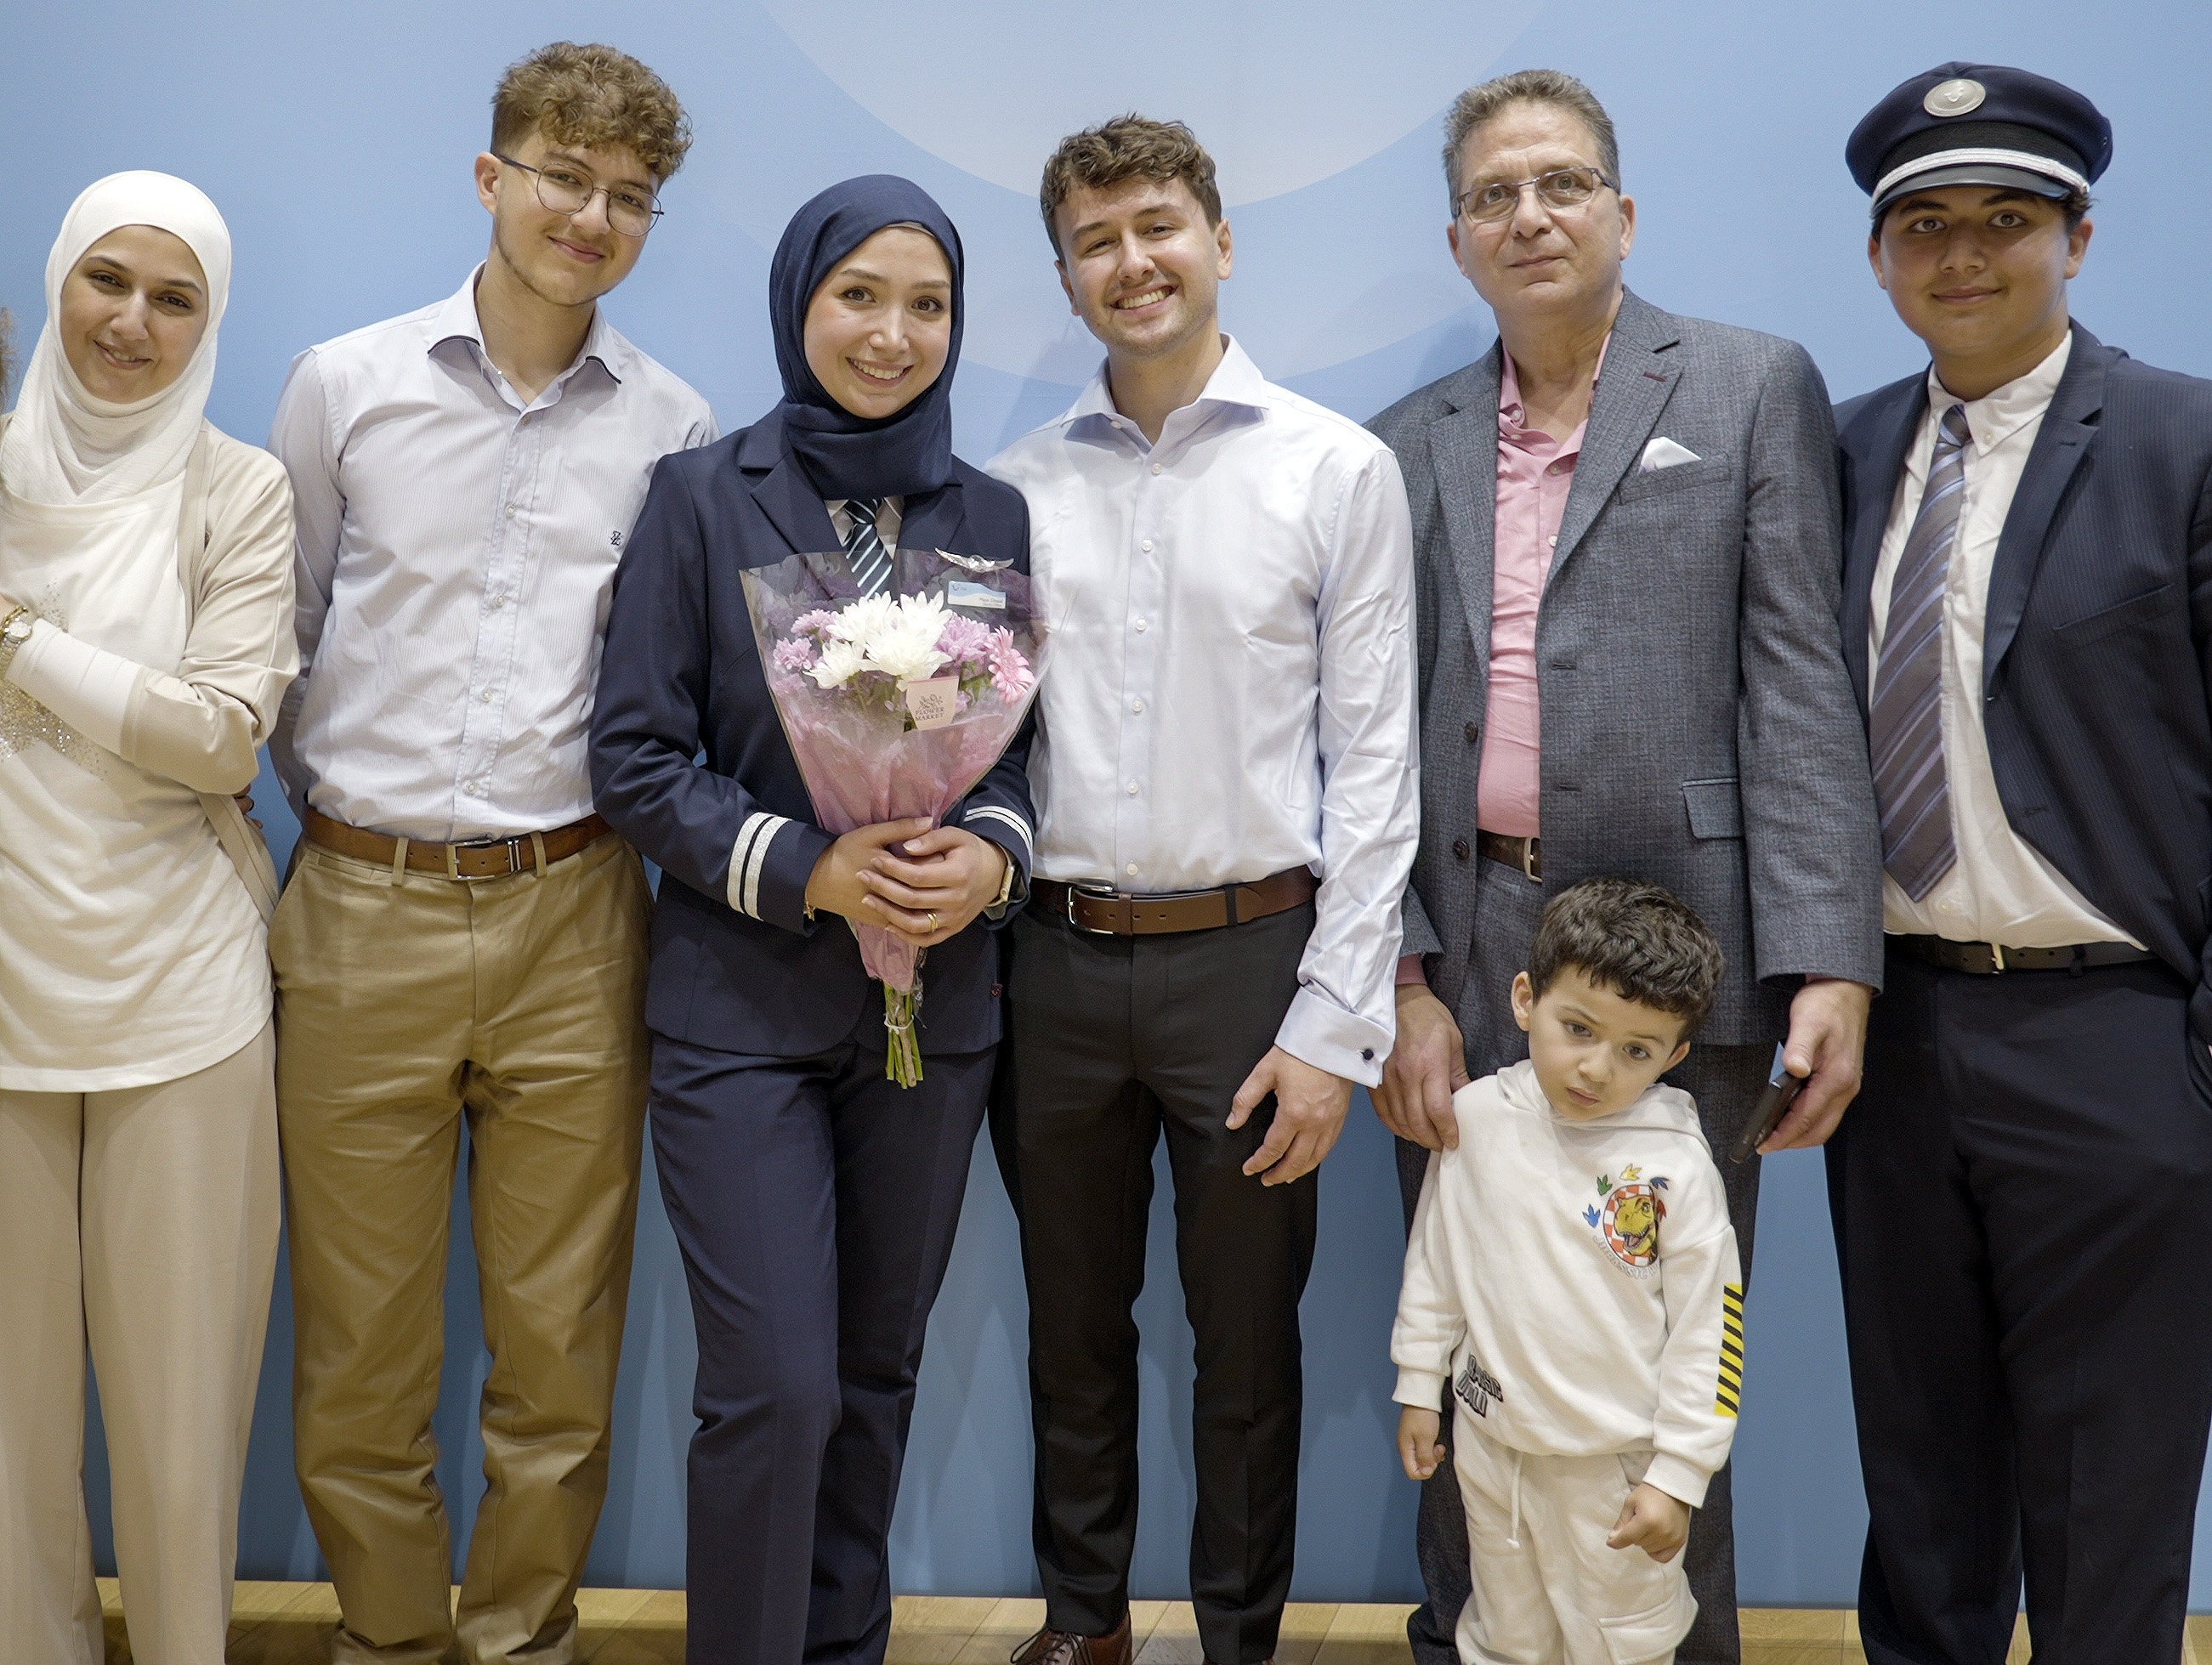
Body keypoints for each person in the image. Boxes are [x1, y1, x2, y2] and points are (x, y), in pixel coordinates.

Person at [1367, 68, 1883, 1665]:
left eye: (1560, 184)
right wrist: (1401, 971)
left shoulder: (1741, 385)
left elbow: (1800, 682)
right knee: (1476, 1346)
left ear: (1620, 212)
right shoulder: (1406, 441)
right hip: (1480, 947)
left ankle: (1674, 1642)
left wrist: (1831, 960)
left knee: (1664, 1351)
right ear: (1457, 238)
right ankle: (1475, 1630)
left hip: (1683, 965)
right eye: (1493, 194)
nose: (1527, 214)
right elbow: (1374, 738)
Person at [266, 42, 713, 1665]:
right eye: (561, 176)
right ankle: (386, 1641)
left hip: (577, 913)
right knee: (360, 1349)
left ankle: (520, 1636)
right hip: (358, 909)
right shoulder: (345, 384)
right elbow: (288, 635)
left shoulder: (675, 429)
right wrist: (367, 824)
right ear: (491, 176)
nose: (590, 215)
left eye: (627, 196)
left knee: (556, 1345)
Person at [987, 116, 1419, 1665]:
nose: (1133, 260)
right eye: (1096, 241)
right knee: (1071, 1329)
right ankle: (1082, 1621)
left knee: (1246, 1346)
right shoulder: (1009, 492)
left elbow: (1377, 767)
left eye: (1157, 224)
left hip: (1256, 964)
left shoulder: (1334, 467)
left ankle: (1239, 1632)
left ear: (1219, 240)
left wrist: (1335, 1020)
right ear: (1067, 275)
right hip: (1048, 960)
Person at [589, 173, 1035, 1665]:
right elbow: (636, 755)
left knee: (870, 1372)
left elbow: (1019, 752)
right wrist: (806, 865)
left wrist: (990, 856)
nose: (892, 333)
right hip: (741, 1012)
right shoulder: (703, 494)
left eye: (927, 303)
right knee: (774, 1383)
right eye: (858, 295)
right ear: (798, 304)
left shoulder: (993, 509)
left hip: (935, 1019)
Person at [1831, 64, 2212, 1665]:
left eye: (2004, 219)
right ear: (1878, 257)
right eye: (1923, 223)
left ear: (2077, 235)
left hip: (2117, 1031)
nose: (1962, 253)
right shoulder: (1837, 452)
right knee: (1921, 1467)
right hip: (1896, 1030)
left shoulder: (2183, 439)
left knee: (2106, 1472)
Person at [0, 171, 296, 1665]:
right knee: (6, 1445)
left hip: (181, 1002)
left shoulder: (234, 489)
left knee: (182, 1436)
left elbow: (224, 738)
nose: (132, 321)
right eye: (105, 280)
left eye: (173, 297)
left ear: (211, 322)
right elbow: (165, 719)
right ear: (56, 282)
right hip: (1, 1004)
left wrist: (20, 640)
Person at [1395, 878, 1740, 1665]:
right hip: (1493, 1448)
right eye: (1577, 1028)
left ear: (1675, 1055)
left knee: (1623, 1640)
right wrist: (1420, 1384)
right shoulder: (1475, 1118)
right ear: (1524, 998)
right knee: (1503, 1633)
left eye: (1636, 1050)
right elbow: (1438, 1261)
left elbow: (1710, 1335)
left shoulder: (1675, 1169)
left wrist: (1679, 1473)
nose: (1595, 1068)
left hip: (1616, 1465)